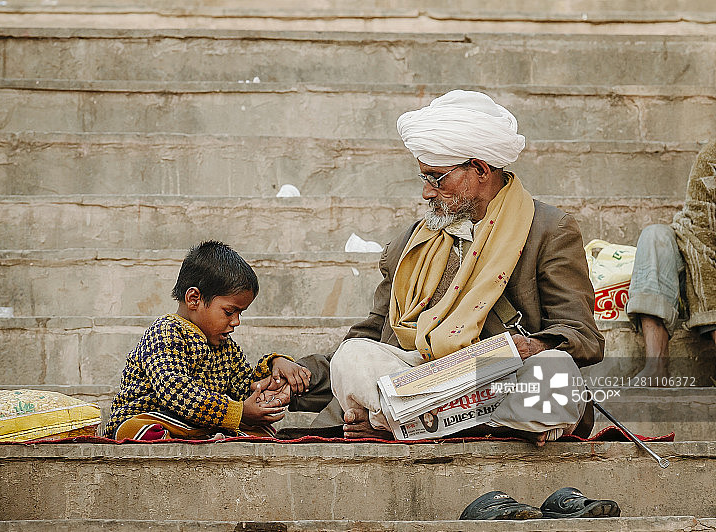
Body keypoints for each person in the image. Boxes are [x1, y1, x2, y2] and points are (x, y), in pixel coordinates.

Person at [286, 90, 605, 448]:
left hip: (496, 377)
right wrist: (300, 374)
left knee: (556, 376)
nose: (426, 192)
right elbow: (370, 335)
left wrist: (530, 346)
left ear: (480, 170)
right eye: (423, 178)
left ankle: (404, 422)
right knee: (354, 357)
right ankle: (452, 424)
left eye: (437, 178)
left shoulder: (549, 229)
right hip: (420, 377)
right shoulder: (408, 244)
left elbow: (583, 336)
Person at [104, 240, 311, 440]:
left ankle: (200, 437)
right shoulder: (165, 332)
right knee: (134, 428)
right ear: (194, 299)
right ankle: (189, 437)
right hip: (155, 416)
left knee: (264, 431)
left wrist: (274, 367)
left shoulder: (226, 347)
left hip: (199, 425)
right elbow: (176, 392)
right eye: (229, 311)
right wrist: (238, 413)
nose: (236, 321)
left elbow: (243, 387)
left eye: (240, 313)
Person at [627, 140, 716, 381]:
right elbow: (702, 230)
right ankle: (657, 366)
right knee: (655, 236)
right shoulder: (712, 154)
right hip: (699, 257)